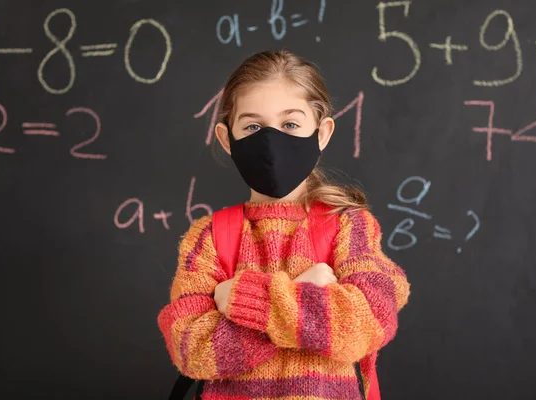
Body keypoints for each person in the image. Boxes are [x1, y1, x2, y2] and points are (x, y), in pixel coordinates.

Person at [157, 49, 410, 399]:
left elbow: (369, 320)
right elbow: (190, 346)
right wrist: (304, 292)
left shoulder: (350, 226)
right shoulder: (209, 238)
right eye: (252, 126)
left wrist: (244, 301)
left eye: (290, 124)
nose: (271, 142)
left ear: (321, 133)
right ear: (226, 139)